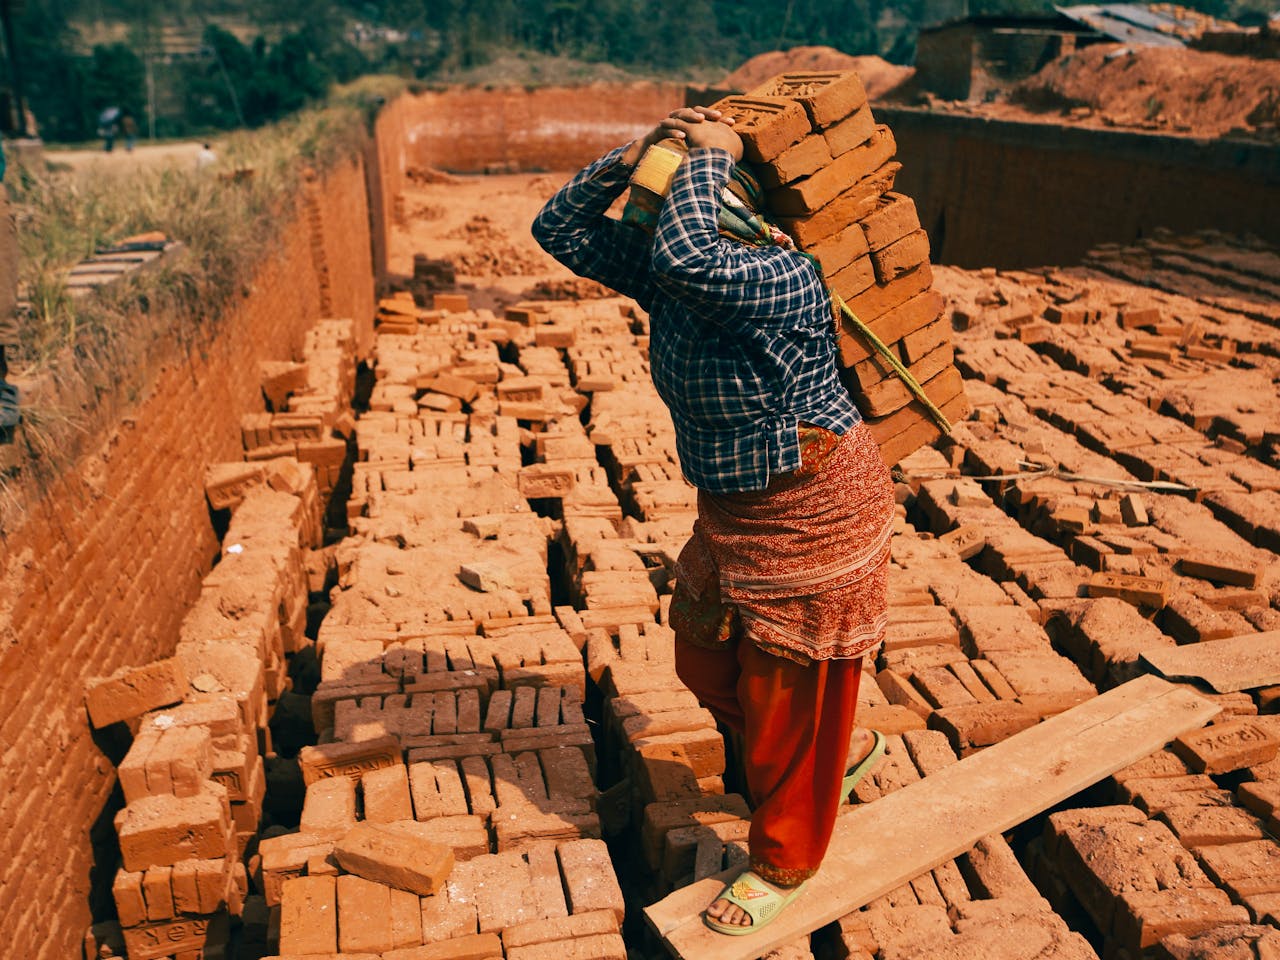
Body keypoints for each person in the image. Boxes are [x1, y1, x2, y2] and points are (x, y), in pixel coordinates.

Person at [533, 107, 894, 934]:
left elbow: (689, 255)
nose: (658, 225)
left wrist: (708, 153)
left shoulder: (783, 276)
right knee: (701, 656)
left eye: (680, 201)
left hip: (813, 507)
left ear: (729, 206)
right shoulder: (677, 268)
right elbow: (556, 228)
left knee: (780, 686)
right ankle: (812, 762)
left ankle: (786, 856)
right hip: (736, 507)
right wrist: (634, 152)